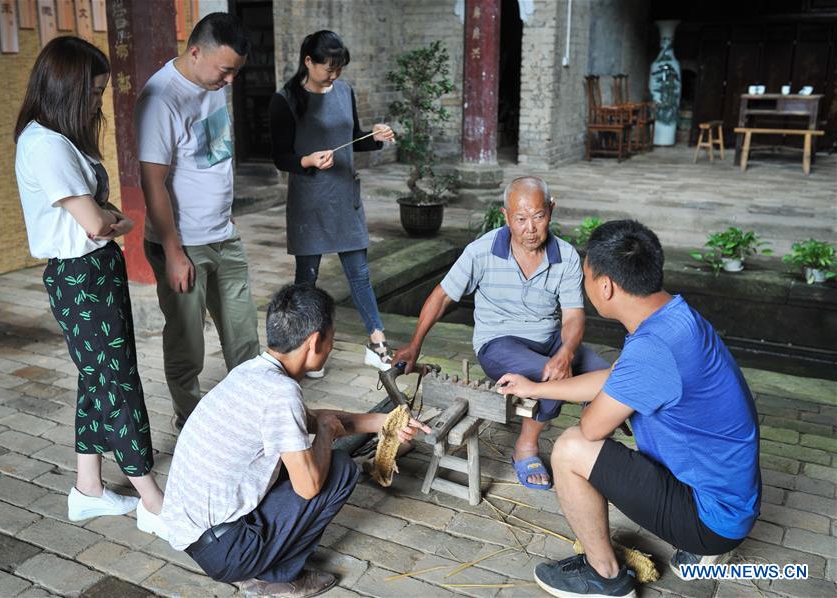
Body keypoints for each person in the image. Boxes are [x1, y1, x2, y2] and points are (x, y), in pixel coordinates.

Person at [498, 220, 760, 597]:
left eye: (586, 277)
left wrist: (602, 411)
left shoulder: (654, 350)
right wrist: (537, 387)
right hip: (731, 496)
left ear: (605, 286)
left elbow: (591, 429)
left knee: (570, 448)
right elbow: (615, 379)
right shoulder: (674, 316)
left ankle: (604, 576)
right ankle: (699, 549)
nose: (585, 286)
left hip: (713, 520)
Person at [161, 284, 430, 597]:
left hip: (201, 538)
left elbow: (312, 418)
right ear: (315, 342)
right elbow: (309, 486)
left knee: (304, 456)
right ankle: (276, 577)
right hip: (228, 552)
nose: (332, 345)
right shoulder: (281, 393)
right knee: (340, 470)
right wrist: (327, 435)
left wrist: (386, 423)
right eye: (332, 336)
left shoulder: (253, 372)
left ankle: (266, 558)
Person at [13, 36, 166, 537]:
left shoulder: (55, 138)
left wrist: (106, 221)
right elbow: (97, 224)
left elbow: (99, 218)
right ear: (68, 90)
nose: (98, 102)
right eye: (95, 92)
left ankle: (89, 490)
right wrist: (114, 223)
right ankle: (152, 499)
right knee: (118, 381)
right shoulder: (47, 145)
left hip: (94, 272)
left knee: (97, 376)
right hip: (83, 278)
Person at [393, 176, 608, 490]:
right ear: (506, 216)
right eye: (520, 219)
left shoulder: (566, 257)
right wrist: (415, 345)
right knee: (554, 377)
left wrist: (565, 353)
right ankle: (526, 447)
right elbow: (441, 297)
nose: (530, 228)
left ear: (551, 210)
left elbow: (574, 317)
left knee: (610, 377)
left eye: (538, 216)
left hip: (551, 341)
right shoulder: (481, 252)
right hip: (499, 343)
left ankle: (594, 441)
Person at [136, 13, 260, 429]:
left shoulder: (212, 83)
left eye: (235, 73)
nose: (229, 82)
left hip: (223, 235)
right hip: (183, 244)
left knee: (244, 339)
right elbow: (152, 182)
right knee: (188, 344)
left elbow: (210, 160)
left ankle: (249, 414)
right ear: (195, 52)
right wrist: (172, 251)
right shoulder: (161, 98)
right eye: (225, 71)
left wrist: (224, 219)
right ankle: (189, 420)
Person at [269, 30, 396, 377]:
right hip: (309, 202)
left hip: (343, 197)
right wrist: (307, 161)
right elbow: (280, 157)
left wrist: (376, 137)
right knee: (306, 281)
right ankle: (305, 349)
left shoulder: (344, 91)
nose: (334, 75)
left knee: (360, 273)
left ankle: (377, 341)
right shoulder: (285, 100)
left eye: (339, 68)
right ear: (308, 61)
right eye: (328, 68)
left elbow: (352, 138)